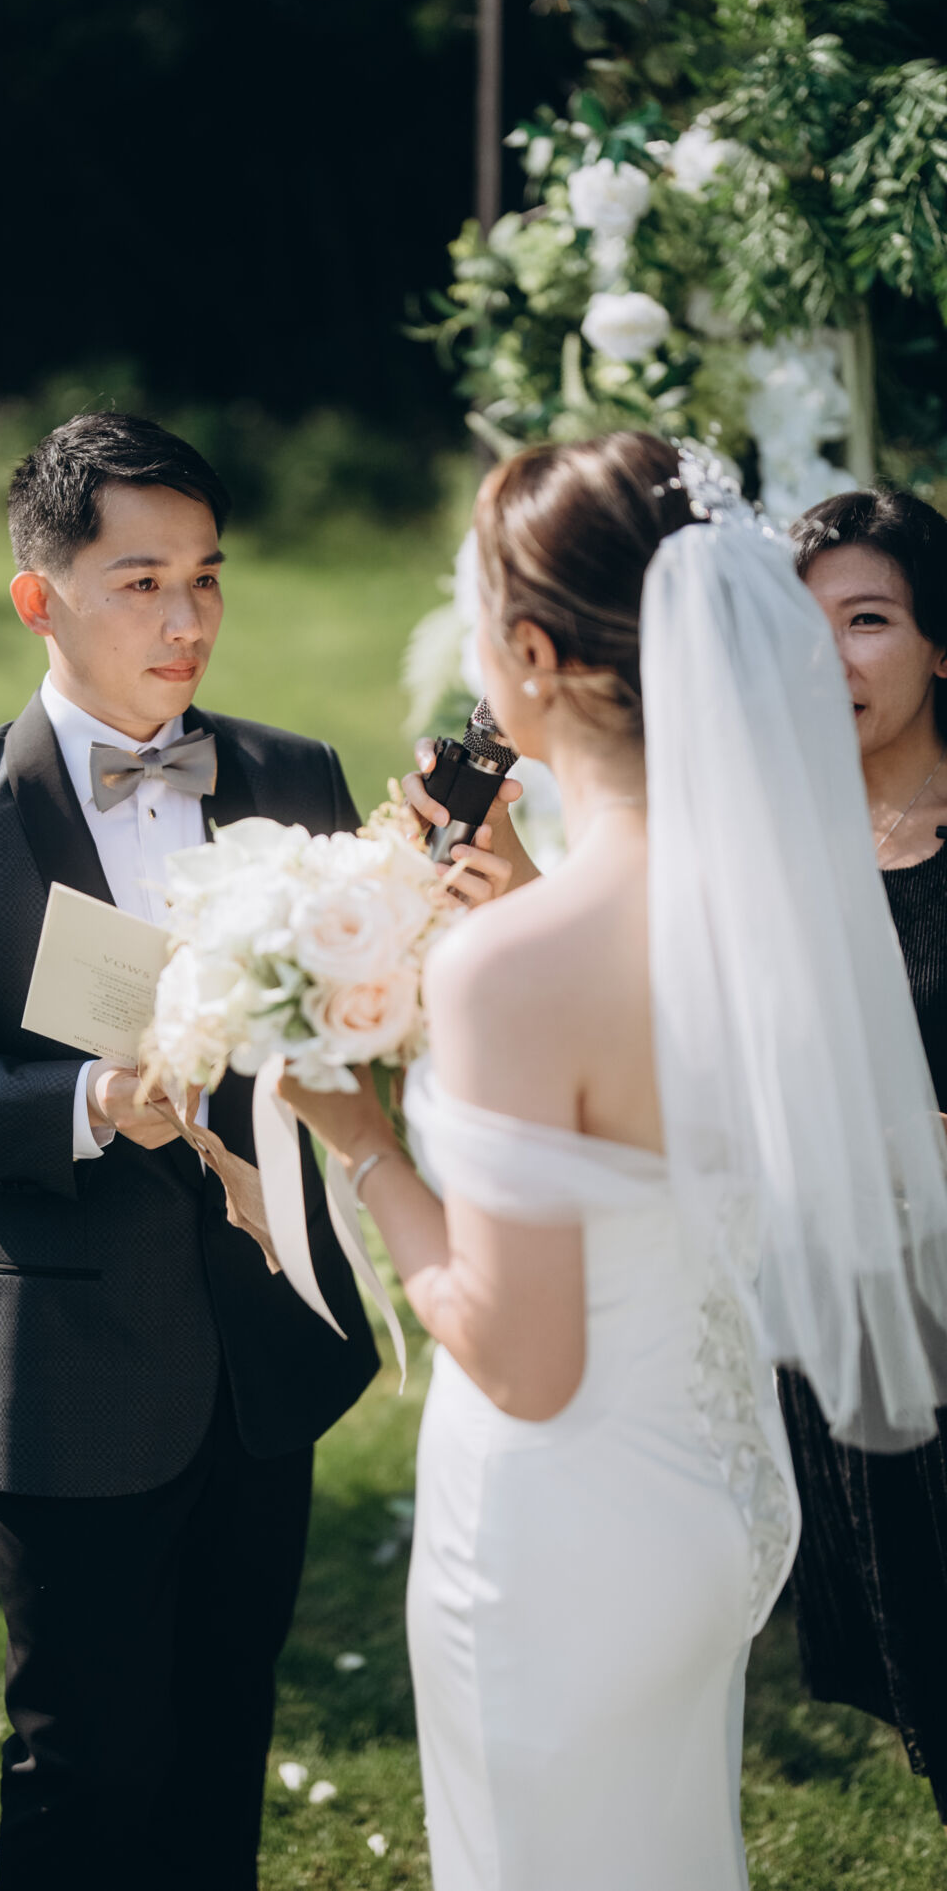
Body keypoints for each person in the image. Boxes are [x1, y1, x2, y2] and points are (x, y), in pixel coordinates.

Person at [0, 410, 515, 1891]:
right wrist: (85, 1103)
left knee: (220, 1743)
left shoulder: (291, 773)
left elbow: (365, 1026)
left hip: (264, 1355)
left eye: (206, 578)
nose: (187, 619)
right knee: (85, 1764)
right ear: (40, 597)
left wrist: (425, 928)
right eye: (141, 583)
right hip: (72, 1373)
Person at [278, 432, 947, 1889]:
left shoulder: (520, 966)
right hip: (715, 1500)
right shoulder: (774, 905)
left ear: (529, 651)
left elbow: (524, 1360)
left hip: (559, 1530)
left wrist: (363, 1141)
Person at [779, 486, 947, 1818]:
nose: (829, 657)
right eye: (801, 626)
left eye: (870, 620)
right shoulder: (774, 849)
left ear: (941, 643)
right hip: (857, 1348)